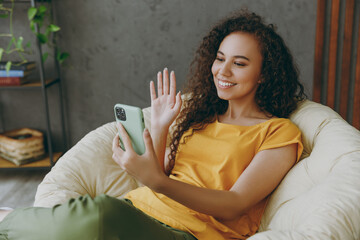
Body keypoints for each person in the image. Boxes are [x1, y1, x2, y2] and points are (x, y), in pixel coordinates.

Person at [0, 9, 305, 240]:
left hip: (188, 234)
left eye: (239, 63)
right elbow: (158, 175)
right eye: (220, 58)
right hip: (139, 210)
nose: (222, 70)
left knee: (100, 214)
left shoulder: (278, 132)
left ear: (264, 74)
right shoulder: (203, 117)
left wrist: (157, 181)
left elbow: (234, 204)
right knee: (97, 211)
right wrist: (159, 127)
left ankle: (9, 222)